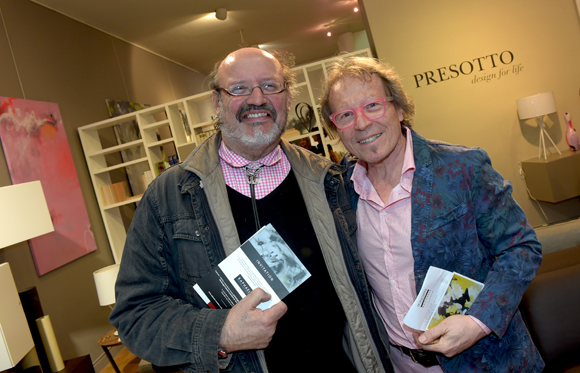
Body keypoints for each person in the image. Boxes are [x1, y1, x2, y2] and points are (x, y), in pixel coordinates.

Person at [109, 48, 393, 373]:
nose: (257, 99)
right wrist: (221, 332)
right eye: (240, 88)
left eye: (270, 86)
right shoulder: (168, 197)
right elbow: (134, 315)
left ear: (287, 98)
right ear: (217, 102)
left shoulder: (331, 182)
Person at [319, 56, 545, 373]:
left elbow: (521, 247)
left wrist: (478, 320)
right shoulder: (340, 191)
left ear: (399, 108)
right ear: (335, 128)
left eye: (372, 106)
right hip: (401, 365)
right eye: (345, 115)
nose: (361, 123)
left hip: (487, 360)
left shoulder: (463, 167)